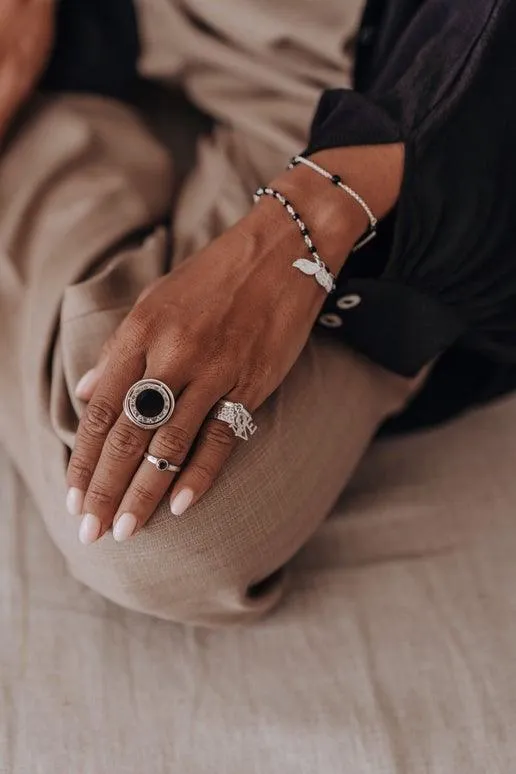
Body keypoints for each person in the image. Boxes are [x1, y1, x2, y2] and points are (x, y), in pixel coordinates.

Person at [1, 0, 515, 626]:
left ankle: (63, 148)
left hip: (383, 78)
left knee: (154, 536)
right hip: (113, 25)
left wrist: (303, 228)